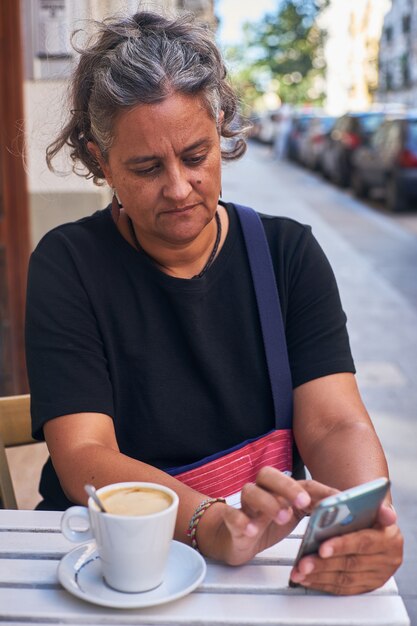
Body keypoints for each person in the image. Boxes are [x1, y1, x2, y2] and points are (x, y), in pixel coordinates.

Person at [25, 10, 403, 595]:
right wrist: (209, 523)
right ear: (101, 163)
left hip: (261, 564)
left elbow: (333, 422)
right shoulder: (69, 264)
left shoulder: (287, 255)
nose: (178, 188)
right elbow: (83, 454)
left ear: (222, 129)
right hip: (111, 567)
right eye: (146, 168)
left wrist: (360, 523)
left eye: (196, 156)